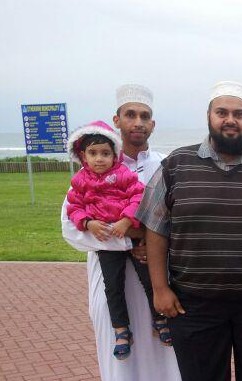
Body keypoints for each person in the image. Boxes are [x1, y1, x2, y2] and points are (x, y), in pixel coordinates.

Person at [136, 81, 242, 381]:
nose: (230, 120)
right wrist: (160, 289)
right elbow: (156, 229)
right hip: (193, 305)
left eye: (239, 114)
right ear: (209, 117)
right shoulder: (176, 165)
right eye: (222, 112)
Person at [61, 84, 181, 380]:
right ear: (117, 120)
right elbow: (71, 228)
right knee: (120, 361)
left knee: (168, 359)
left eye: (144, 116)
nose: (138, 122)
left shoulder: (166, 166)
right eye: (130, 114)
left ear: (153, 124)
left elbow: (180, 221)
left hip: (158, 277)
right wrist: (130, 240)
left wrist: (152, 246)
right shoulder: (89, 173)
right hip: (108, 278)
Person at [65, 119, 159, 360]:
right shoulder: (79, 182)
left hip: (134, 240)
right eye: (93, 153)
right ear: (83, 156)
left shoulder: (124, 175)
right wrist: (88, 223)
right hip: (106, 246)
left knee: (150, 280)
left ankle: (160, 320)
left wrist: (127, 221)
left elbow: (138, 197)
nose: (99, 159)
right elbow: (73, 209)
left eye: (105, 153)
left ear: (114, 155)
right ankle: (121, 330)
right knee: (113, 287)